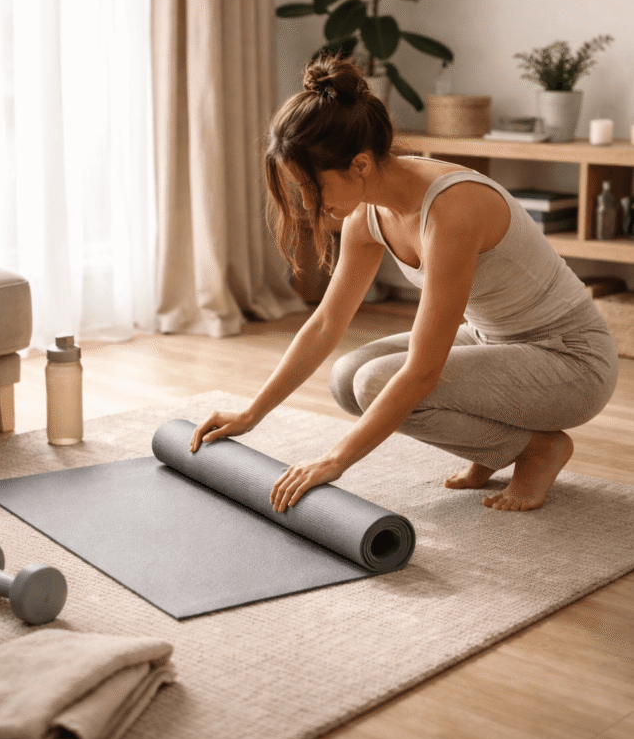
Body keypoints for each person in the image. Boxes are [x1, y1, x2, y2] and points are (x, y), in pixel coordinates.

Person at [189, 55, 618, 515]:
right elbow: (325, 326)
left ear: (358, 165)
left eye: (313, 187)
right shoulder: (366, 215)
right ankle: (499, 448)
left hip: (570, 360)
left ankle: (536, 450)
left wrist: (335, 460)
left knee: (378, 381)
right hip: (492, 339)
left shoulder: (453, 210)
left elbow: (423, 371)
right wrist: (252, 413)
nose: (310, 201)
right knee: (347, 377)